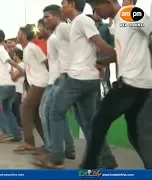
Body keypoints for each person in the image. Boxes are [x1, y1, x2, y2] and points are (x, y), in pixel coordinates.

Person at [41, 0, 117, 169]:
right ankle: (107, 160)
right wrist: (99, 62)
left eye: (63, 4)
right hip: (87, 78)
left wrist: (115, 56)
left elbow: (100, 44)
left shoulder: (82, 21)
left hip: (78, 79)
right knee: (88, 123)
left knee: (54, 112)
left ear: (72, 4)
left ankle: (56, 158)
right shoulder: (76, 23)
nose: (61, 8)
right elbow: (91, 49)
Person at [83, 0, 152, 169]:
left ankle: (88, 168)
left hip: (133, 83)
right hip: (134, 84)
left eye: (97, 8)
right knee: (136, 134)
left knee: (99, 121)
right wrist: (102, 61)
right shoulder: (119, 22)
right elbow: (124, 54)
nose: (97, 13)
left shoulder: (131, 12)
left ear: (108, 2)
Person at [34, 5, 76, 167]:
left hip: (58, 80)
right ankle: (65, 149)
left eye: (41, 26)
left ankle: (54, 151)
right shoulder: (55, 38)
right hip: (57, 79)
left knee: (48, 113)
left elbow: (69, 54)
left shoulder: (56, 36)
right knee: (56, 115)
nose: (38, 30)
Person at [12, 25, 47, 153]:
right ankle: (48, 143)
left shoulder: (33, 48)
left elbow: (47, 62)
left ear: (24, 35)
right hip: (35, 83)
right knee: (35, 115)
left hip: (41, 83)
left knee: (25, 108)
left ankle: (29, 143)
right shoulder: (27, 49)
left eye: (18, 33)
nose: (17, 35)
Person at [0, 29, 23, 143]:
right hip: (9, 85)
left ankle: (8, 132)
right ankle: (16, 134)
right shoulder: (0, 51)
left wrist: (20, 69)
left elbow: (9, 61)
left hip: (3, 85)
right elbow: (8, 66)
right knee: (7, 110)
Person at [11, 48, 25, 130]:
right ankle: (16, 124)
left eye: (14, 55)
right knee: (13, 107)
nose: (13, 56)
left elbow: (14, 77)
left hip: (18, 88)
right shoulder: (15, 65)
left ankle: (20, 125)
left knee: (17, 108)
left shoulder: (21, 65)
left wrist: (11, 71)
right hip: (14, 88)